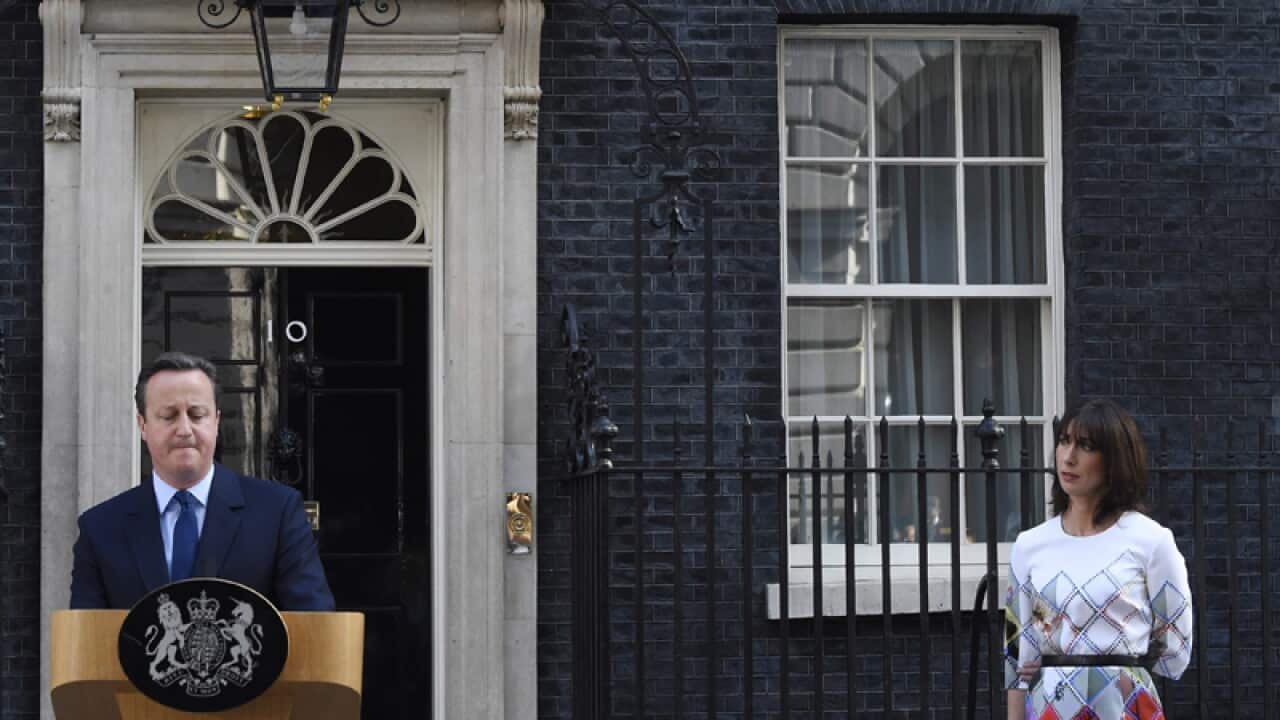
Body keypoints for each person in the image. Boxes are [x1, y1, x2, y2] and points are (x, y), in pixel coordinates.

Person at [70, 351, 335, 611]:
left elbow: (314, 625)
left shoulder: (277, 513)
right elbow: (86, 643)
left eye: (197, 415)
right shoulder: (101, 529)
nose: (184, 430)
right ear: (142, 425)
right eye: (168, 416)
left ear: (217, 421)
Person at [1004, 399, 1192, 719]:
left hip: (1125, 706)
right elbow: (1016, 653)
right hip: (1051, 704)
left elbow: (1176, 646)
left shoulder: (1151, 541)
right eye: (1064, 441)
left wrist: (1118, 673)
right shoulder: (1029, 546)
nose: (1069, 456)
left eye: (1086, 446)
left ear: (1115, 460)